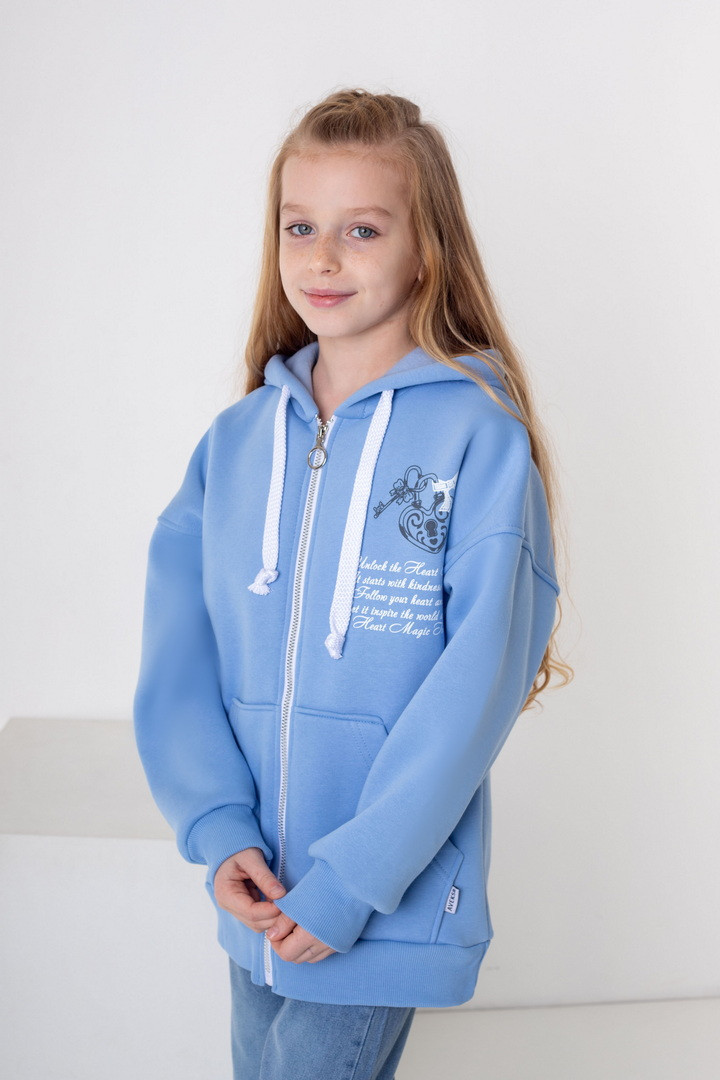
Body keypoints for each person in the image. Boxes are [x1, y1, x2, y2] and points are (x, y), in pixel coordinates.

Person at [132, 87, 573, 1079]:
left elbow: (474, 689)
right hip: (258, 896)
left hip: (380, 905)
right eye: (300, 227)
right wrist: (219, 830)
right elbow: (178, 660)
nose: (322, 258)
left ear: (426, 250)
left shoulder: (476, 438)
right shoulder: (237, 443)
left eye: (361, 229)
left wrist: (354, 880)